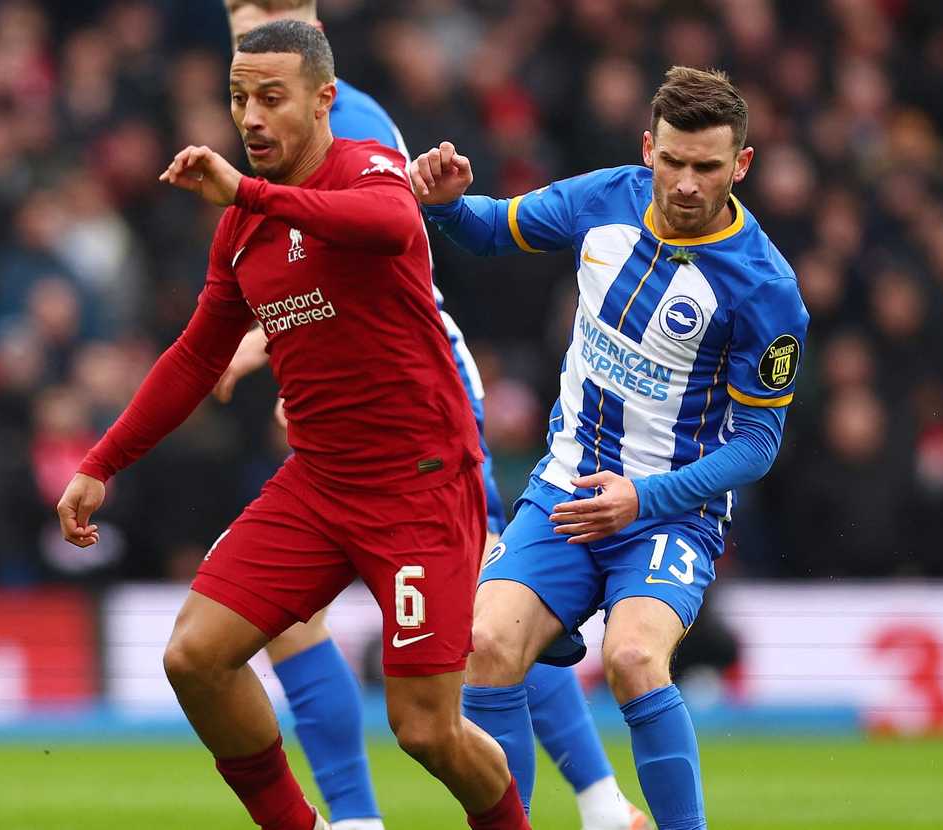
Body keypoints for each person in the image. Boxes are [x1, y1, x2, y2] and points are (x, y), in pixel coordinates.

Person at [57, 21, 528, 830]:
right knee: (194, 658)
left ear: (323, 100)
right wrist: (103, 461)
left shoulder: (367, 168)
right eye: (239, 98)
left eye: (271, 97)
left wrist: (245, 191)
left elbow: (390, 227)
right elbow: (194, 359)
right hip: (317, 482)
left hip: (418, 484)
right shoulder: (241, 229)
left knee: (425, 729)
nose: (251, 117)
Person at [211, 3, 649, 829]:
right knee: (284, 617)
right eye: (241, 8)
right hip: (346, 396)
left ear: (311, 20)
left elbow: (378, 232)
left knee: (485, 611)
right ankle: (358, 819)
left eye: (274, 7)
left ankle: (595, 799)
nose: (254, 19)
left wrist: (280, 333)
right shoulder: (257, 116)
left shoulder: (345, 113)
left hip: (418, 389)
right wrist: (273, 333)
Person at [409, 67, 809, 830]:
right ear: (648, 147)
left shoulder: (766, 288)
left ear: (742, 166)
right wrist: (448, 204)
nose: (686, 184)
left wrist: (646, 498)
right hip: (564, 492)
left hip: (669, 515)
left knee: (632, 660)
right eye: (673, 162)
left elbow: (758, 444)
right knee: (486, 645)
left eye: (708, 168)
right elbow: (494, 229)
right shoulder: (607, 197)